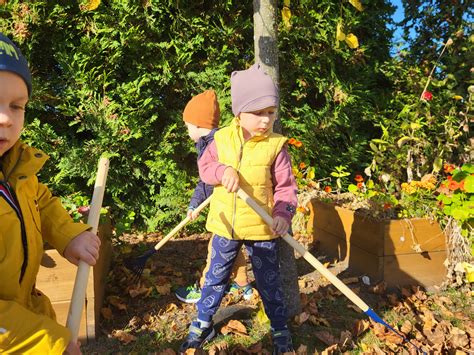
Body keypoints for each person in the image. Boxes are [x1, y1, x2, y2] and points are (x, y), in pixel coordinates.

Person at [179, 64, 297, 354]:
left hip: (261, 228)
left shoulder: (276, 147)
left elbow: (286, 188)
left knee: (269, 283)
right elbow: (206, 170)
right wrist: (222, 171)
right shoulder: (219, 141)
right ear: (239, 112)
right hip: (226, 227)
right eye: (258, 113)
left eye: (271, 112)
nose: (266, 120)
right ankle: (202, 323)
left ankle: (280, 329)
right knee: (215, 278)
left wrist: (282, 214)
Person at [0, 33, 100, 354]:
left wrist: (69, 235)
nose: (5, 119)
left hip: (28, 319)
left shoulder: (16, 168)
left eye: (16, 106)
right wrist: (50, 342)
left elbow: (40, 201)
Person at [174, 89, 253, 303]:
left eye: (187, 125)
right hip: (227, 206)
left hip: (230, 205)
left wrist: (196, 204)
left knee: (216, 249)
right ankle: (243, 284)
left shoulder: (215, 144)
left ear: (199, 125)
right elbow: (206, 180)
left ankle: (203, 290)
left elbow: (209, 180)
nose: (186, 129)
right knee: (231, 244)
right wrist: (194, 205)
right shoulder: (209, 142)